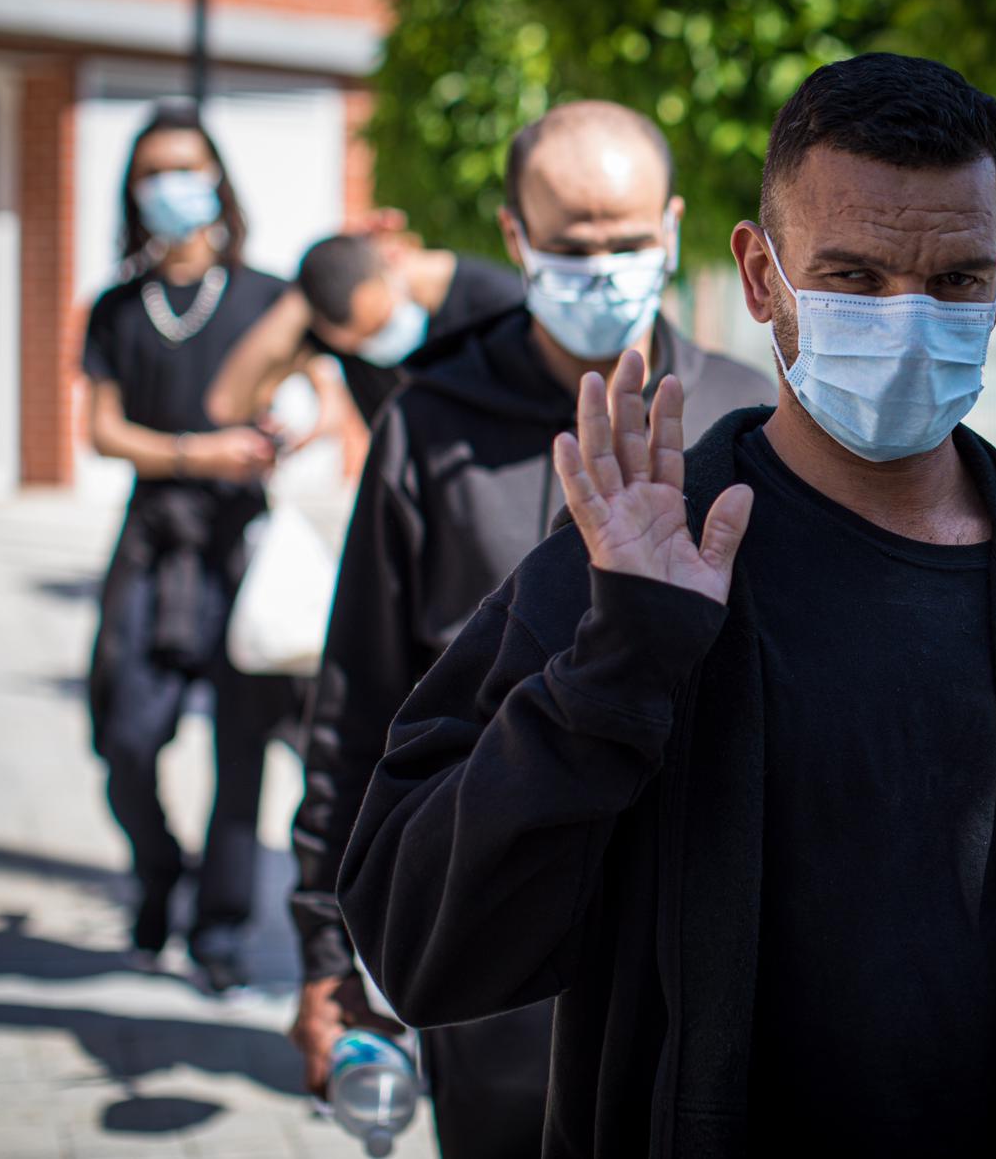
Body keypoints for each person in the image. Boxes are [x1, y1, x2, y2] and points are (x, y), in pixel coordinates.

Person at [337, 55, 996, 1158]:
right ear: (760, 277)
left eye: (955, 280)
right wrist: (614, 670)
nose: (907, 322)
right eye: (854, 278)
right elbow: (421, 942)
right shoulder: (630, 565)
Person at [288, 100, 771, 1156]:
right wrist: (330, 949)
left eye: (629, 241)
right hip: (499, 954)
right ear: (514, 239)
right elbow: (360, 704)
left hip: (709, 959)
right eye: (571, 245)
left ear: (675, 225)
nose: (603, 268)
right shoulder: (429, 425)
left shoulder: (749, 421)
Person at [82, 102, 302, 995]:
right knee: (124, 733)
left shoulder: (266, 295)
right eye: (155, 172)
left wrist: (292, 427)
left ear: (216, 179)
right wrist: (190, 453)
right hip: (151, 541)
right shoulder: (115, 306)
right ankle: (156, 872)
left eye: (189, 166)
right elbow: (100, 429)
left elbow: (316, 393)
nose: (175, 185)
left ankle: (220, 931)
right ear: (135, 193)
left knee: (241, 751)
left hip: (237, 541)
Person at [205, 224, 524, 432]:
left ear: (394, 258)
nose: (379, 345)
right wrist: (300, 297)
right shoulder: (333, 331)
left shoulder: (501, 304)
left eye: (382, 325)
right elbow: (227, 404)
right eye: (361, 342)